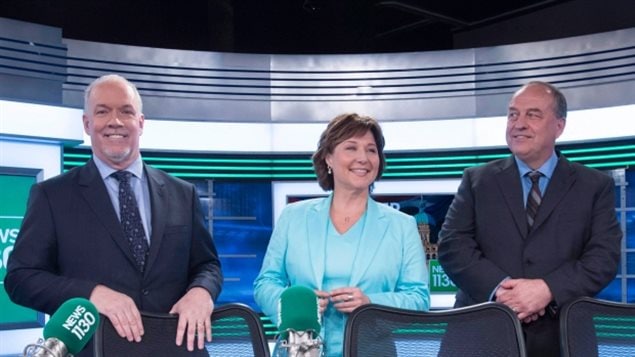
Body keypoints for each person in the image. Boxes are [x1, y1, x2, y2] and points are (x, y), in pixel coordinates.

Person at [4, 74, 223, 355]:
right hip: (98, 349)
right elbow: (20, 278)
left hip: (177, 349)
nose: (115, 121)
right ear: (87, 124)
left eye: (126, 111)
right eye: (102, 111)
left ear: (141, 123)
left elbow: (208, 265)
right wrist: (91, 295)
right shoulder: (51, 196)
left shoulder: (183, 193)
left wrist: (201, 292)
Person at [437, 81, 622, 356]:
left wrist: (547, 289)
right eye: (513, 114)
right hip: (478, 333)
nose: (519, 123)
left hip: (561, 337)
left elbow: (603, 258)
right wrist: (502, 290)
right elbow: (452, 245)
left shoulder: (593, 186)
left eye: (532, 115)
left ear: (559, 126)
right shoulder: (478, 180)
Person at [254, 113, 430, 356]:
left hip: (371, 347)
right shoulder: (294, 217)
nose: (363, 158)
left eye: (371, 150)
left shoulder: (402, 226)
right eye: (351, 147)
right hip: (302, 346)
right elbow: (265, 284)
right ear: (328, 157)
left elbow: (418, 299)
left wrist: (370, 303)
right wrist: (298, 307)